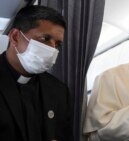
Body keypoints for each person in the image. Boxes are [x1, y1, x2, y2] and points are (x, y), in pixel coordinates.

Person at [0, 5, 73, 141]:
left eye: (57, 44)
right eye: (45, 38)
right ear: (15, 37)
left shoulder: (59, 92)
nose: (52, 50)